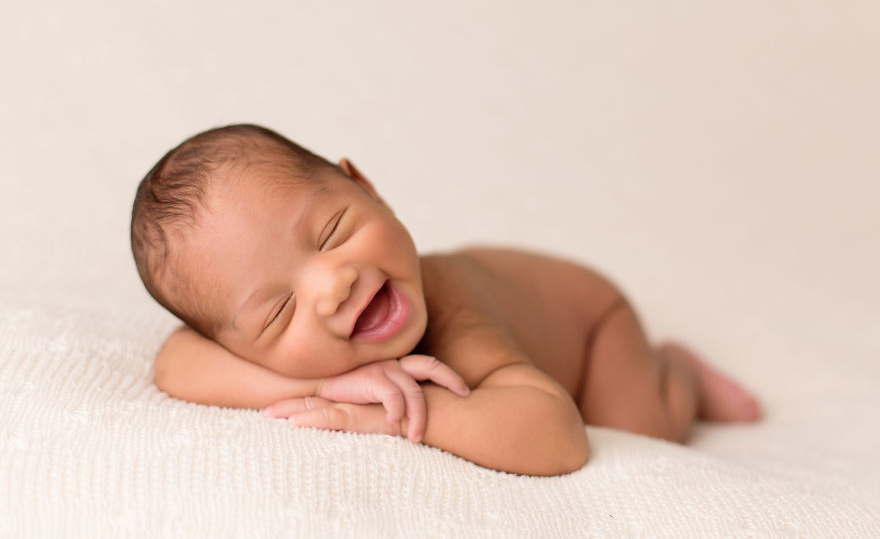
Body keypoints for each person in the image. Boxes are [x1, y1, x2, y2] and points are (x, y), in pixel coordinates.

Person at [131, 124, 761, 476]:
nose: (332, 286)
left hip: (591, 322)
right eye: (278, 311)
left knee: (641, 429)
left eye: (331, 233)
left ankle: (678, 372)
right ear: (236, 343)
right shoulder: (283, 349)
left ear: (366, 187)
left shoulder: (455, 313)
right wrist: (327, 388)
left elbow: (558, 437)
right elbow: (174, 362)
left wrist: (394, 412)